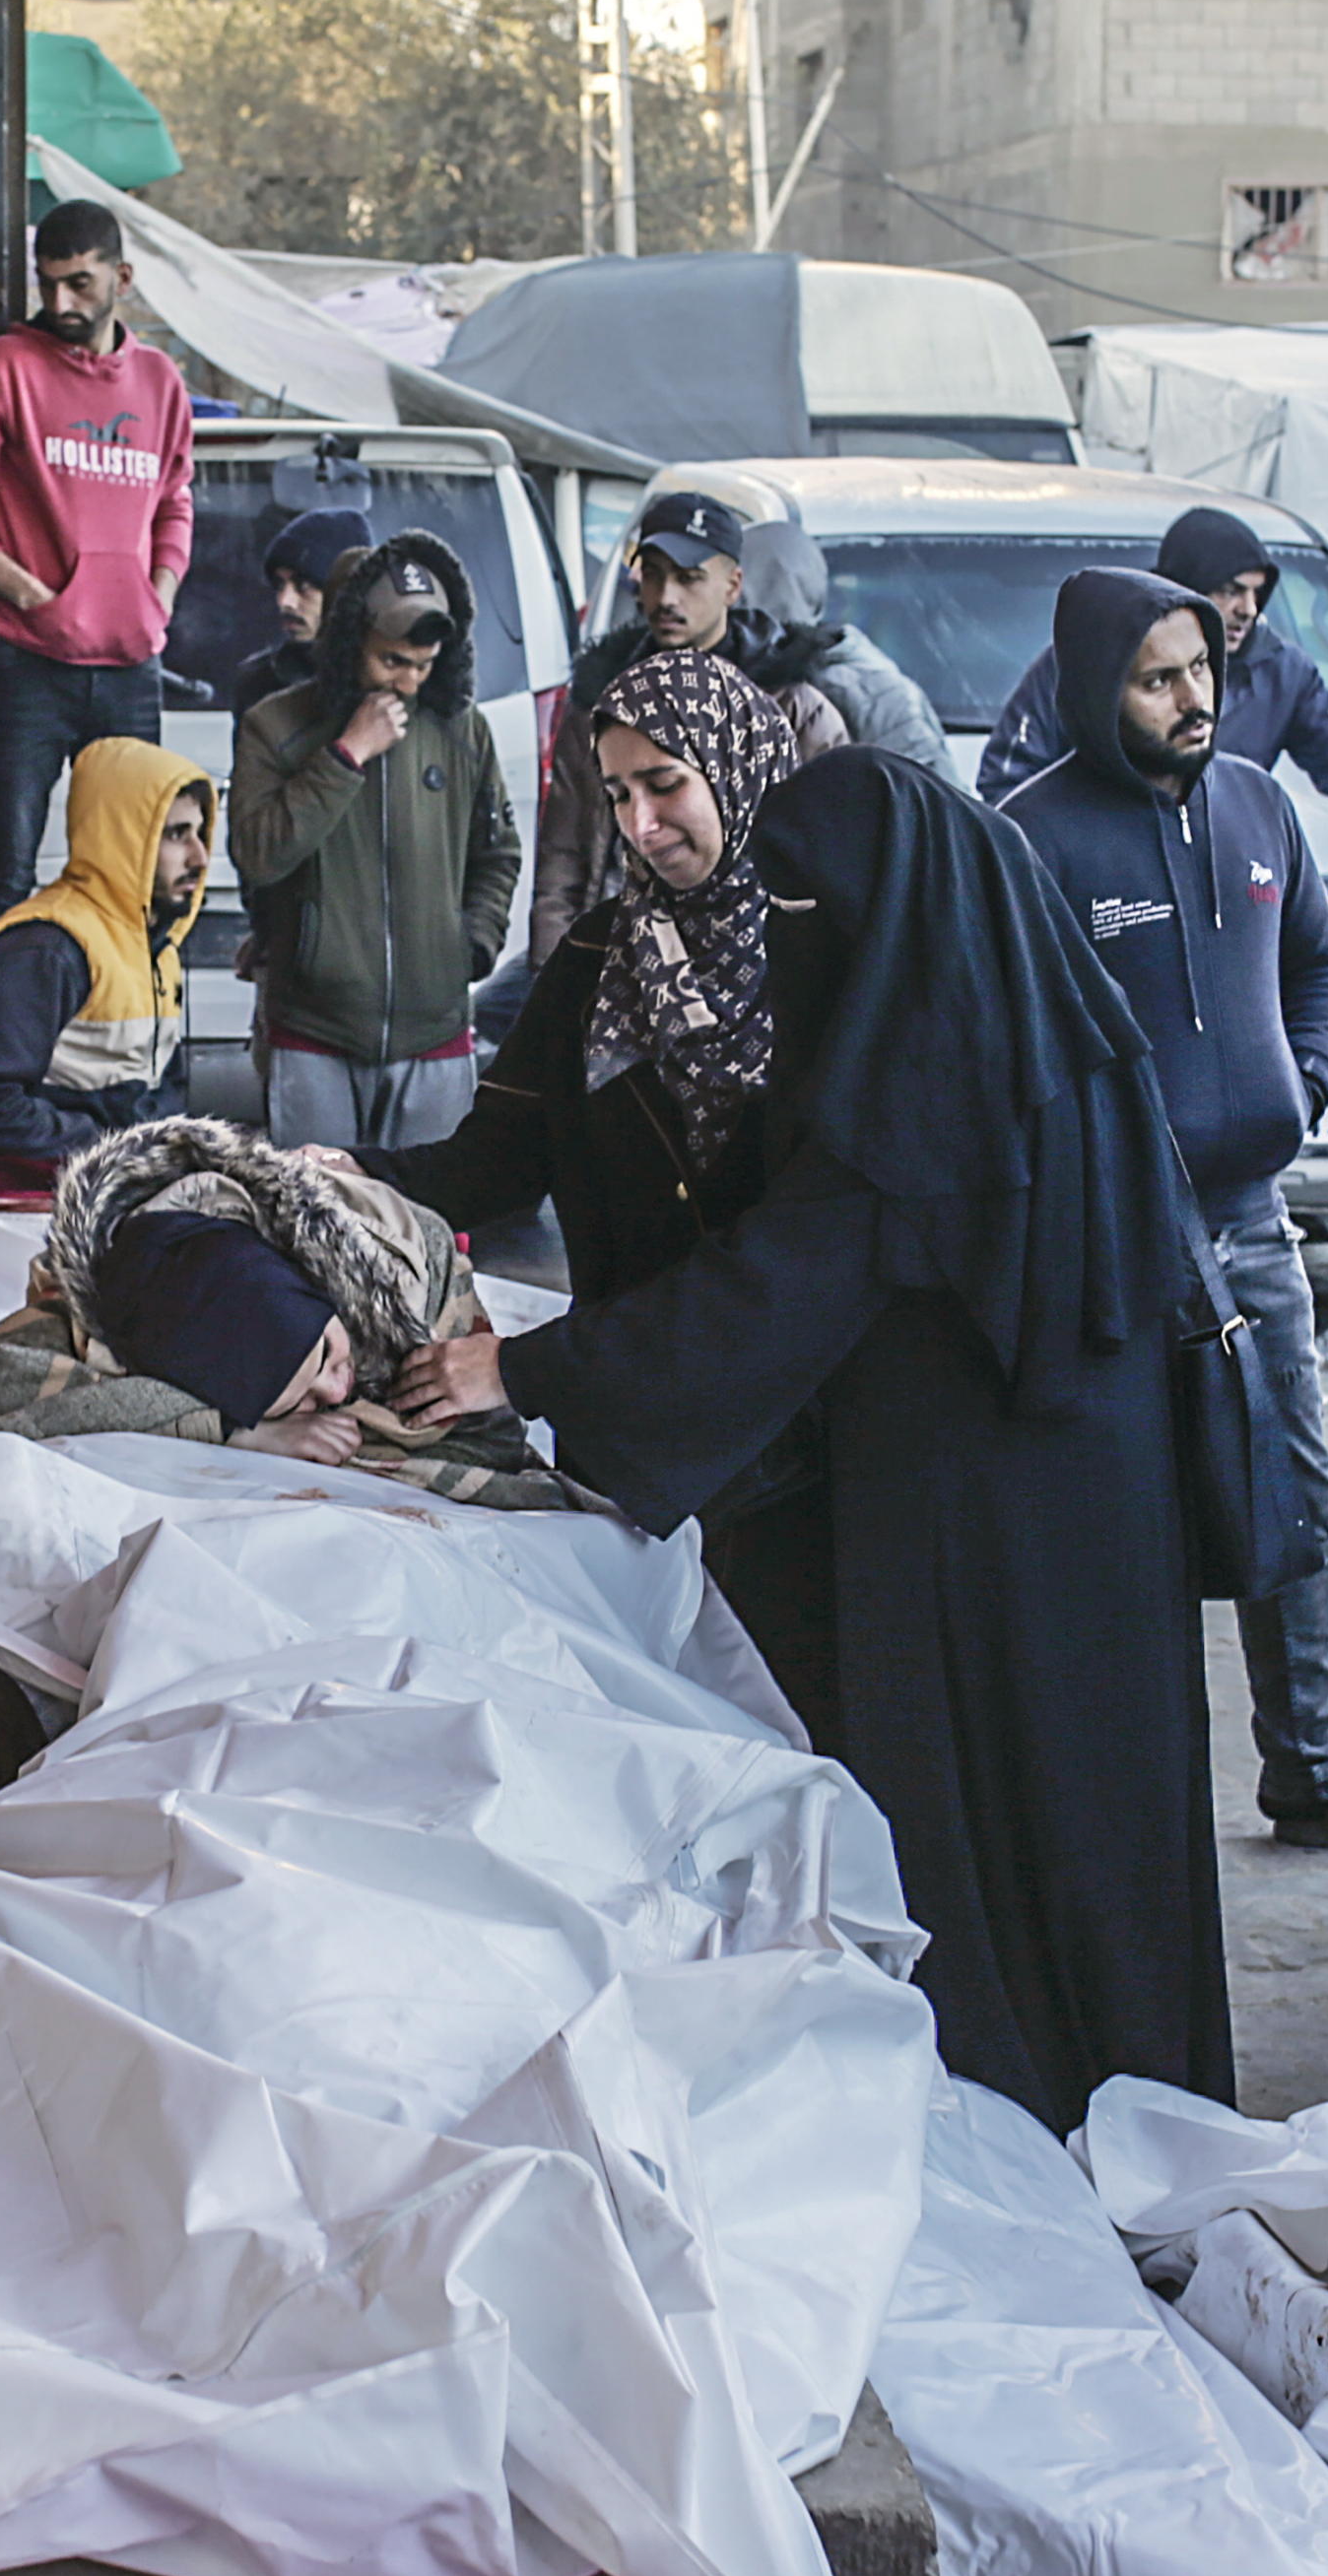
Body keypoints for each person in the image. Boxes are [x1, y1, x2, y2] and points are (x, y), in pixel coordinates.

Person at [372, 659, 1225, 2130]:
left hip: (978, 1512)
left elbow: (792, 1271)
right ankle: (1091, 2094)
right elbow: (510, 1165)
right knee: (1051, 1827)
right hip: (1008, 1503)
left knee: (1015, 1825)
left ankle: (1055, 2108)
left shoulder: (918, 1077)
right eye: (615, 794)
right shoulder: (983, 1024)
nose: (646, 828)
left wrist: (531, 1367)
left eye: (671, 789)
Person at [1000, 567, 1328, 1865]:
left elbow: (1322, 958)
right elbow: (1005, 1039)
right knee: (1124, 1524)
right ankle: (1115, 1793)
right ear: (1101, 693)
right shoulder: (1034, 839)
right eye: (1159, 679)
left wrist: (1304, 1079)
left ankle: (1307, 1774)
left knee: (1287, 1501)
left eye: (1202, 670)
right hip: (1113, 1244)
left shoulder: (1260, 803)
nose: (1194, 698)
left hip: (1258, 1230)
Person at [0, 1117, 599, 1508]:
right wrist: (235, 1431)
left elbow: (489, 1446)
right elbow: (2, 1395)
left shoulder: (410, 1266)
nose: (337, 1389)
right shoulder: (120, 1288)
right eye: (299, 1399)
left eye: (325, 1354)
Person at [521, 490, 943, 970]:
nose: (666, 597)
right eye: (653, 575)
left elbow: (839, 861)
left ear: (733, 585)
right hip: (625, 960)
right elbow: (565, 857)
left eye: (689, 578)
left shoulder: (793, 707)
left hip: (758, 967)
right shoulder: (599, 704)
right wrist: (557, 975)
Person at [0, 199, 197, 915]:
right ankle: (3, 1026)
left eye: (79, 283)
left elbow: (176, 498)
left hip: (132, 664)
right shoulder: (4, 366)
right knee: (6, 871)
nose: (60, 302)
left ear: (122, 278)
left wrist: (158, 591)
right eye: (47, 284)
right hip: (26, 663)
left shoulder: (162, 381)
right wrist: (26, 593)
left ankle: (127, 1026)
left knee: (138, 873)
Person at [229, 533, 519, 1156]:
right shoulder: (273, 727)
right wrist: (346, 755)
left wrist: (469, 944)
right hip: (313, 1030)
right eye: (392, 661)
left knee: (425, 1229)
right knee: (317, 1225)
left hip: (435, 1030)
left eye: (424, 663)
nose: (411, 682)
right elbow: (259, 853)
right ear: (346, 640)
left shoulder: (465, 732)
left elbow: (497, 852)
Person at [984, 503, 1328, 815]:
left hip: (1220, 873)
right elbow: (1008, 784)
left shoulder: (1282, 671)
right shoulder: (1091, 660)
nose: (1247, 610)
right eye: (1230, 591)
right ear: (1184, 587)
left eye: (1257, 593)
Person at [0, 735, 211, 1173]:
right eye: (177, 835)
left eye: (200, 834)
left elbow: (160, 1093)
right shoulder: (46, 949)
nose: (200, 857)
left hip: (114, 1192)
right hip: (40, 1205)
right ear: (125, 840)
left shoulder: (155, 948)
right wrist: (126, 1154)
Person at [224, 505, 369, 713]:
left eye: (305, 586)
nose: (285, 601)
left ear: (345, 593)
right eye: (280, 584)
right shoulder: (258, 684)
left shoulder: (390, 675)